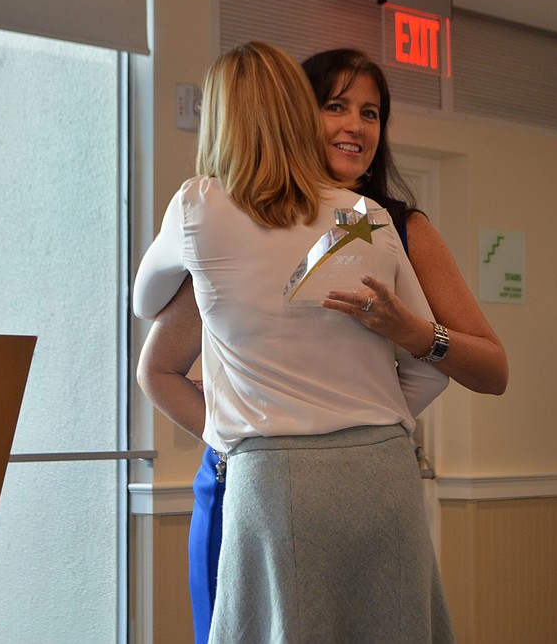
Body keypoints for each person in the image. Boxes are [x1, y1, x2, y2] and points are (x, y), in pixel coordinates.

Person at [137, 47, 508, 643]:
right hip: (269, 469)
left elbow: (489, 368)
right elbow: (159, 367)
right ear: (292, 117)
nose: (356, 127)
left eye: (371, 112)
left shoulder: (387, 222)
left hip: (287, 467)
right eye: (336, 107)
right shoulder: (246, 215)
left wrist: (313, 426)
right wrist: (351, 433)